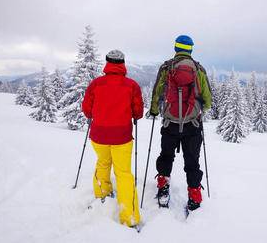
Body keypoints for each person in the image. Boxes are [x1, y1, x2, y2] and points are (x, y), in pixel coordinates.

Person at [148, 35, 212, 211]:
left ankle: (163, 190)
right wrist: (199, 110)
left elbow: (157, 93)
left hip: (170, 123)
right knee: (192, 161)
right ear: (191, 49)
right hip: (193, 125)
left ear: (175, 49)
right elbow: (208, 99)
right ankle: (194, 197)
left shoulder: (166, 68)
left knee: (166, 156)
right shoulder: (199, 70)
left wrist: (154, 110)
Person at [82, 49, 143, 229]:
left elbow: (87, 109)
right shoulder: (131, 85)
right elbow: (138, 112)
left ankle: (102, 193)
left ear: (107, 62)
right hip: (122, 137)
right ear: (123, 63)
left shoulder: (96, 84)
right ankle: (129, 219)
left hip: (98, 135)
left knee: (103, 163)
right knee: (123, 174)